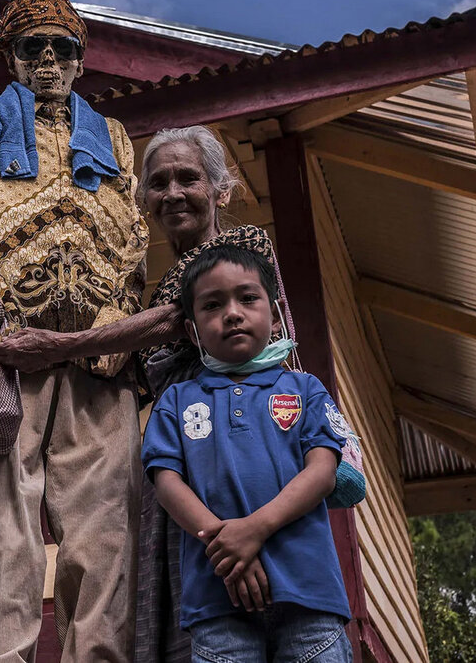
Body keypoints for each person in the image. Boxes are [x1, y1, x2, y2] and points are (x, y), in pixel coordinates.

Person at [0, 0, 149, 662]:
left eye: (64, 48)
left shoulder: (111, 136)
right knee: (6, 542)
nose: (50, 60)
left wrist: (116, 326)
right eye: (34, 47)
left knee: (103, 538)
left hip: (98, 360)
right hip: (10, 356)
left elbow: (134, 238)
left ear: (82, 62)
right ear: (11, 58)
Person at [0, 124, 241, 662]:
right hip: (182, 473)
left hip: (241, 459)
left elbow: (175, 318)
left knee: (237, 617)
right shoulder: (157, 280)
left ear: (222, 190)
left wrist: (60, 344)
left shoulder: (240, 249)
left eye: (188, 178)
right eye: (158, 183)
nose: (172, 193)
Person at [141, 233, 353, 662]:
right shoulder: (177, 401)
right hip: (219, 603)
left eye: (247, 299)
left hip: (309, 596)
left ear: (275, 317)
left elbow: (322, 472)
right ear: (192, 328)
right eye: (213, 305)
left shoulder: (305, 389)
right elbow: (167, 484)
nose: (232, 314)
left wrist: (252, 530)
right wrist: (226, 549)